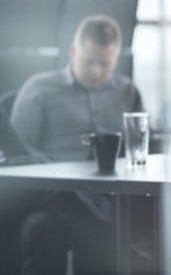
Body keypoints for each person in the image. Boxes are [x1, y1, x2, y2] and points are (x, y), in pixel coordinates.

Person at [8, 14, 145, 275]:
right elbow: (20, 154)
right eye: (89, 61)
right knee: (66, 213)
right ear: (73, 52)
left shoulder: (128, 92)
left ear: (116, 59)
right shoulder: (39, 89)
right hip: (52, 190)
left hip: (110, 191)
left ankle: (143, 258)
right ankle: (141, 262)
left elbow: (141, 145)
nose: (96, 71)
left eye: (105, 64)